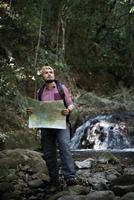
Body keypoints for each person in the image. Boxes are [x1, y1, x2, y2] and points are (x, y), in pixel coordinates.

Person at [27, 65, 77, 191]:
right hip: (46, 126)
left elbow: (71, 104)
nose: (49, 74)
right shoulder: (40, 92)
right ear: (42, 76)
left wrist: (67, 110)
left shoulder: (61, 88)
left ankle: (70, 177)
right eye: (46, 72)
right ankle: (54, 180)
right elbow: (38, 109)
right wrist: (31, 112)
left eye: (51, 72)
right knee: (49, 153)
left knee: (64, 147)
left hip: (61, 125)